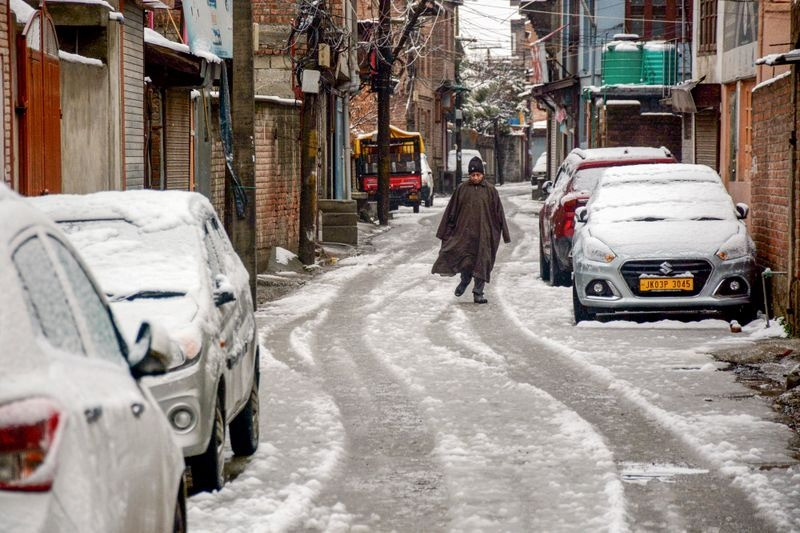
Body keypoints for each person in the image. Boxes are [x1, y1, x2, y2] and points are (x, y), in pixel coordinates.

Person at [432, 156, 511, 304]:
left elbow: (499, 212)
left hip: (484, 234)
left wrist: (505, 234)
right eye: (473, 175)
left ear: (483, 174)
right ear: (469, 175)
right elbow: (451, 211)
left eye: (478, 175)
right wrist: (445, 232)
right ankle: (465, 281)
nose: (475, 177)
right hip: (465, 233)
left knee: (482, 261)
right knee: (466, 260)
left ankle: (478, 292)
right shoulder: (462, 189)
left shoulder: (491, 191)